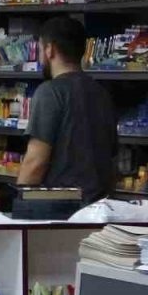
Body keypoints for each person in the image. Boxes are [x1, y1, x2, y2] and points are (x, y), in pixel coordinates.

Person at [17, 17, 117, 203]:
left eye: (40, 49)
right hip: (99, 208)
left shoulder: (50, 92)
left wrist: (20, 204)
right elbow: (111, 160)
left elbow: (35, 162)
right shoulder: (102, 93)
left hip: (61, 209)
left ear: (50, 49)